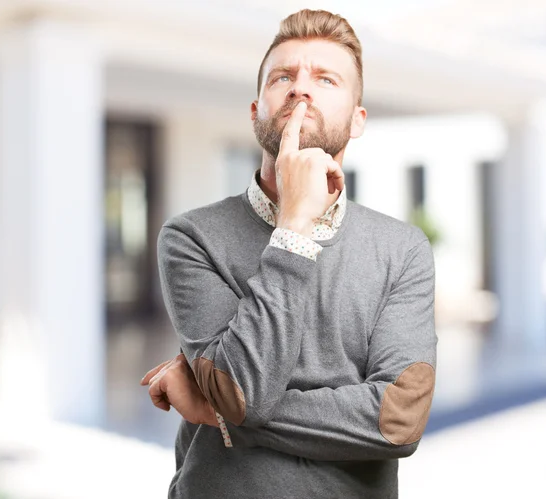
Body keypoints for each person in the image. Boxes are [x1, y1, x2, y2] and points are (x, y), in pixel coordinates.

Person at [140, 8, 437, 499]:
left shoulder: (402, 250)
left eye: (325, 78)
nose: (301, 88)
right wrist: (295, 226)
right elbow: (242, 392)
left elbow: (398, 420)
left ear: (357, 119)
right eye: (283, 76)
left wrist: (215, 408)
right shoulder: (191, 237)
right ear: (256, 110)